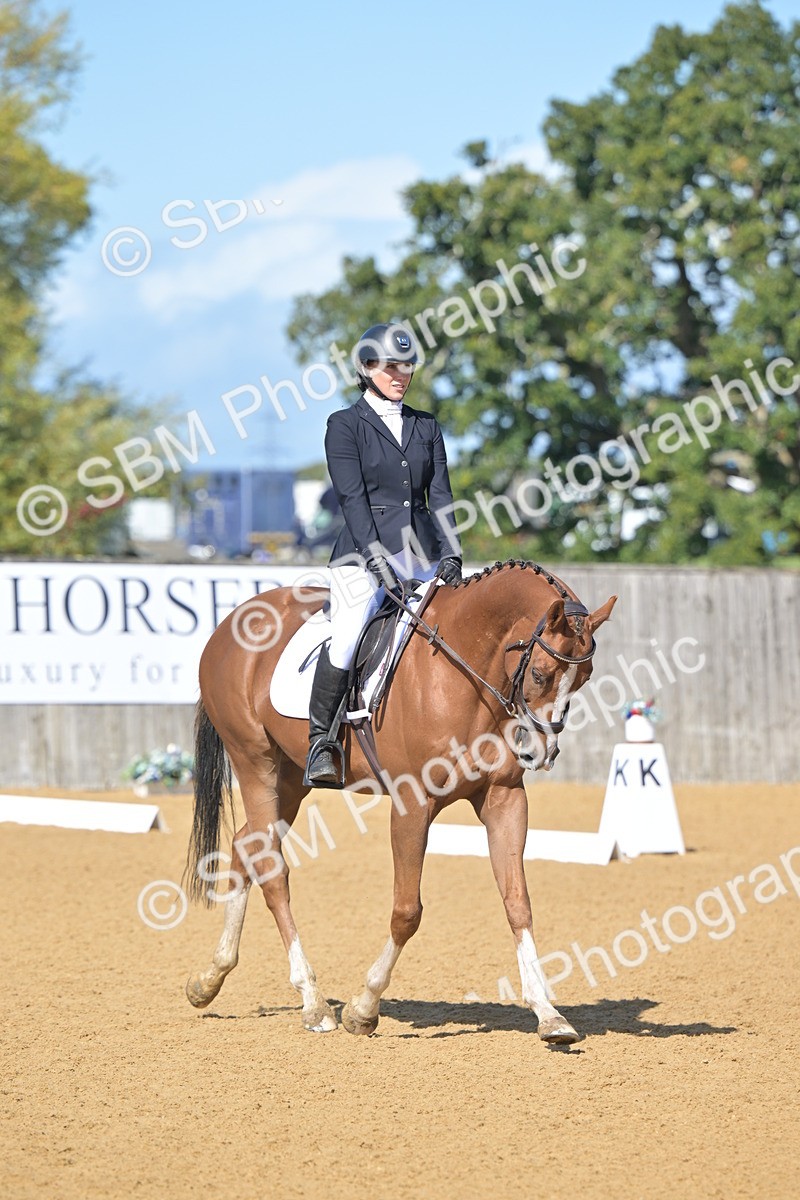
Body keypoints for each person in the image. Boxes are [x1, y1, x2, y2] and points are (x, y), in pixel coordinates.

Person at [304, 322, 463, 787]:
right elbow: (352, 499)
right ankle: (322, 742)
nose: (401, 374)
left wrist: (452, 553)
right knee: (349, 633)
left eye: (407, 365)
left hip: (423, 553)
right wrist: (375, 559)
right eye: (390, 365)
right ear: (366, 368)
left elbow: (442, 496)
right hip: (361, 553)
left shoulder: (426, 425)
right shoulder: (344, 426)